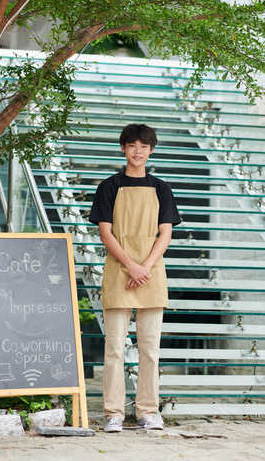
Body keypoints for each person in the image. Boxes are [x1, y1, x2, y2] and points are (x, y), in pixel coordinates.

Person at [89, 123, 181, 432]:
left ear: (151, 150)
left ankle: (147, 411)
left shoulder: (161, 188)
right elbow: (105, 232)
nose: (137, 151)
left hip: (151, 273)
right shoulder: (109, 186)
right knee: (114, 347)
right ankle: (113, 412)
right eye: (131, 145)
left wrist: (145, 267)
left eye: (143, 146)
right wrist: (132, 265)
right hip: (120, 271)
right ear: (123, 148)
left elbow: (165, 233)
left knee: (149, 349)